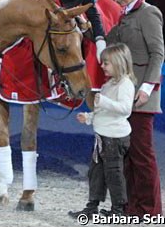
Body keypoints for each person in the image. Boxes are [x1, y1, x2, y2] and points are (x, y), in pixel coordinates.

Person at [103, 0, 165, 218]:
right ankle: (130, 208)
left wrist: (147, 88)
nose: (117, 1)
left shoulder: (149, 13)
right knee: (126, 154)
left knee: (142, 155)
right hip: (124, 95)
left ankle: (150, 210)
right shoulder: (123, 17)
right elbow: (109, 44)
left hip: (142, 96)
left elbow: (158, 54)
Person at [68, 43, 136, 219]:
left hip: (114, 139)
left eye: (106, 63)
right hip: (102, 137)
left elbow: (125, 109)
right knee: (95, 173)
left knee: (113, 174)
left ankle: (118, 210)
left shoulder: (125, 84)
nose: (102, 66)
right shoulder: (108, 85)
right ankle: (92, 207)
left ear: (118, 63)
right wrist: (89, 117)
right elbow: (103, 111)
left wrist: (104, 102)